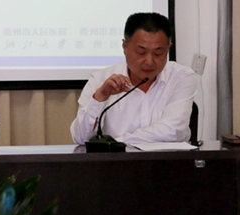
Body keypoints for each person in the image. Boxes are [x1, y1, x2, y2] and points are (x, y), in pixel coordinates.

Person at [70, 12, 197, 145]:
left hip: (165, 158)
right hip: (116, 158)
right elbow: (81, 138)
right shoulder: (100, 80)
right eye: (141, 52)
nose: (149, 61)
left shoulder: (181, 77)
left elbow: (173, 132)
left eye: (158, 53)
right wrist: (100, 97)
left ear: (168, 48)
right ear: (124, 46)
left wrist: (115, 143)